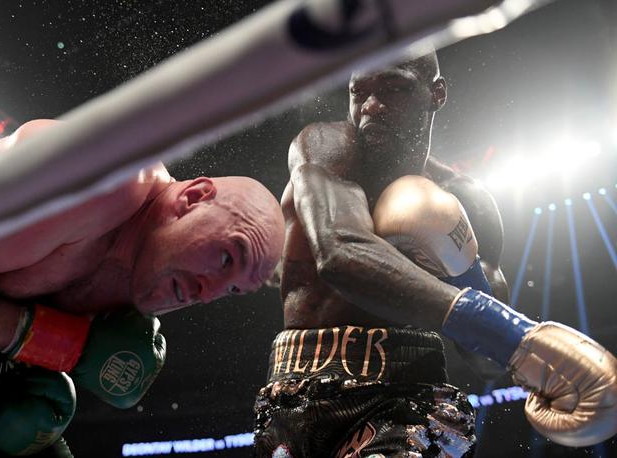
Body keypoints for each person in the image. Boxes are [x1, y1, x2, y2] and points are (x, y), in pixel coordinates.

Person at [253, 52, 617, 457]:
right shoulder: (325, 148)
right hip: (290, 396)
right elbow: (339, 253)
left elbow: (488, 364)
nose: (371, 106)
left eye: (393, 88)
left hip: (406, 400)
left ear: (436, 93)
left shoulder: (466, 201)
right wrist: (513, 334)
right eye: (360, 92)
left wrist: (465, 277)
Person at [0, 118, 285, 456]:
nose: (208, 293)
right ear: (192, 198)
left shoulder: (149, 276)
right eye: (226, 258)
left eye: (233, 290)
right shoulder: (97, 180)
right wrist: (62, 344)